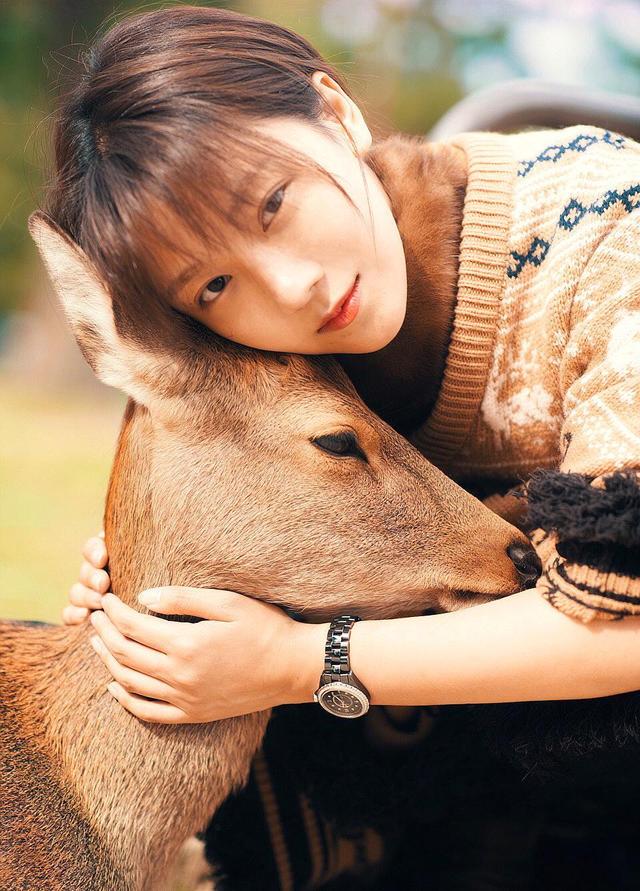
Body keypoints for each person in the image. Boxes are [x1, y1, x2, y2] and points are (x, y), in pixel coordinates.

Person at [51, 9, 640, 745]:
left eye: (273, 204)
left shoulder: (614, 228)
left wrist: (301, 663)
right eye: (214, 284)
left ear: (336, 113)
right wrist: (149, 582)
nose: (291, 287)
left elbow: (625, 625)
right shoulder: (261, 361)